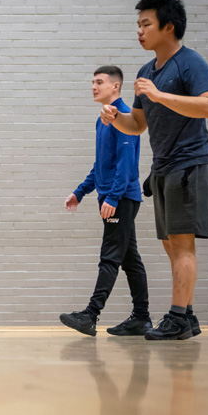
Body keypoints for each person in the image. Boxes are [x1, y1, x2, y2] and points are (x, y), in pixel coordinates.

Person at [102, 0, 208, 340]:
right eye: (138, 25)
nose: (139, 31)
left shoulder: (189, 63)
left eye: (146, 24)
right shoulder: (144, 73)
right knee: (171, 244)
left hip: (190, 163)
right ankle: (189, 316)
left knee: (182, 244)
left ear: (168, 26)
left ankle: (178, 317)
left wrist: (159, 95)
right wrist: (115, 117)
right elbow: (137, 124)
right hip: (163, 167)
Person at [60, 66, 151, 336]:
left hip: (120, 198)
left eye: (99, 82)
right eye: (92, 82)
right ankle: (142, 318)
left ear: (116, 87)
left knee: (110, 256)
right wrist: (80, 191)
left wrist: (112, 196)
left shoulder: (123, 116)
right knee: (130, 259)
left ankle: (90, 314)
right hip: (114, 196)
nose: (94, 87)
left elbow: (126, 164)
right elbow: (102, 164)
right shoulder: (103, 119)